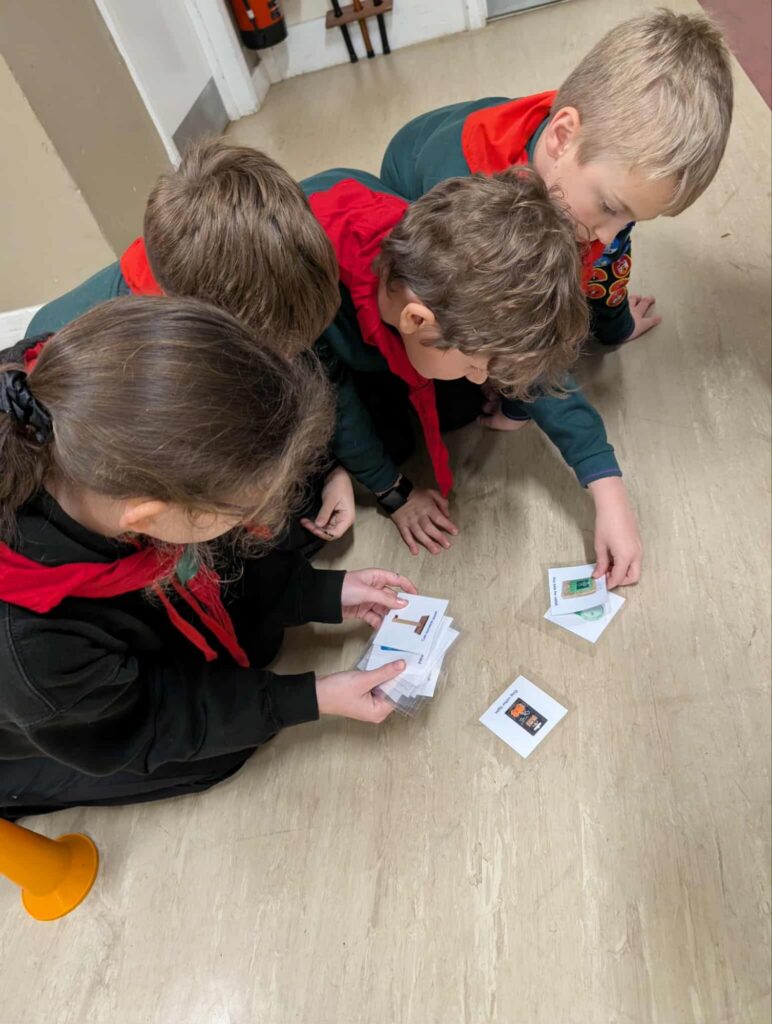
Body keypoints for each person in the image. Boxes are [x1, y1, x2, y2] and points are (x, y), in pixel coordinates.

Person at [0, 297, 413, 820]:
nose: (255, 518)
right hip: (43, 727)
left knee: (257, 634)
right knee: (217, 755)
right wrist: (311, 697)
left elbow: (209, 549)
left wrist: (318, 591)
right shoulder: (32, 648)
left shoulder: (66, 391)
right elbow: (152, 723)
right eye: (241, 511)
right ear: (145, 517)